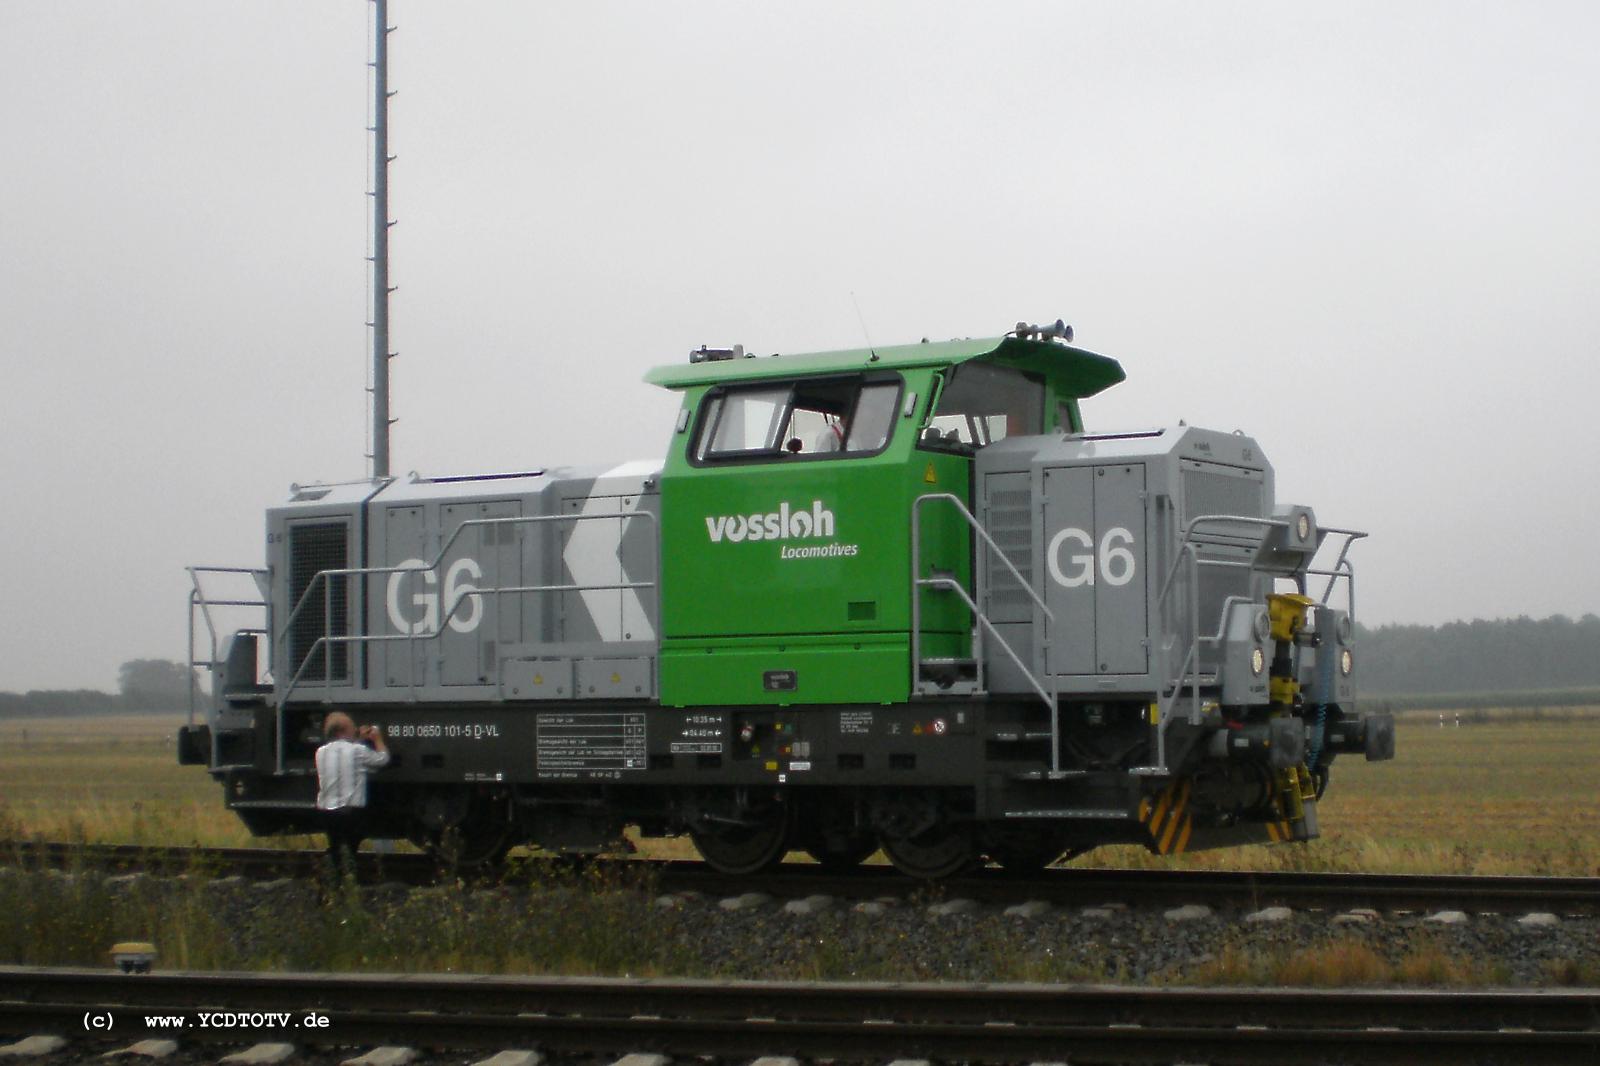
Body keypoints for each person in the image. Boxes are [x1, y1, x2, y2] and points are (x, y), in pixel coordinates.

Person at [315, 711, 390, 872]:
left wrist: (358, 739)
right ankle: (344, 881)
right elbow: (382, 759)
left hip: (327, 810)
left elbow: (346, 752)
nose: (355, 730)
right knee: (349, 848)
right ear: (342, 730)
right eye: (352, 727)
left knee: (336, 847)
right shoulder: (358, 750)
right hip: (350, 810)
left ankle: (331, 882)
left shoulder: (321, 752)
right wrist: (377, 739)